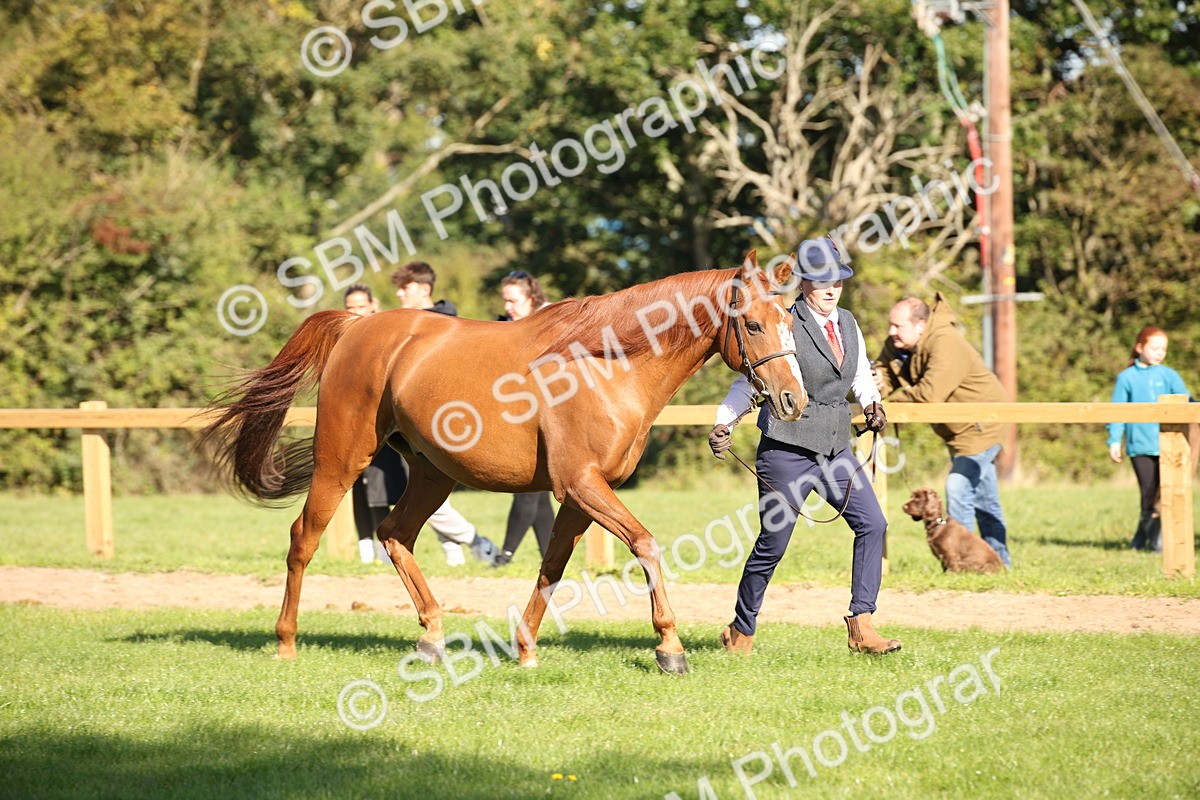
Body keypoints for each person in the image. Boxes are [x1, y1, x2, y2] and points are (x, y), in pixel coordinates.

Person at [708, 238, 897, 656]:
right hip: (786, 451)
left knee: (874, 524)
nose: (831, 289)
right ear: (805, 284)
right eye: (821, 282)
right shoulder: (785, 321)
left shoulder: (848, 322)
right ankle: (741, 630)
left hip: (834, 447)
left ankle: (862, 624)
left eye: (838, 282)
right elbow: (748, 381)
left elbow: (860, 371)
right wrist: (724, 421)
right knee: (774, 543)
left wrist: (872, 402)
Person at [873, 294, 1012, 568]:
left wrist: (889, 406)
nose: (891, 332)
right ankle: (1000, 565)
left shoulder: (946, 342)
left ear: (920, 325)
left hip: (983, 423)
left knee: (958, 486)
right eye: (891, 325)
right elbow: (886, 371)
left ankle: (963, 565)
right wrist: (877, 381)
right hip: (955, 429)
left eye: (897, 326)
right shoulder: (900, 343)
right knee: (985, 500)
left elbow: (929, 394)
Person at [372, 263, 497, 566]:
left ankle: (477, 542)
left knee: (427, 492)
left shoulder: (447, 323)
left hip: (449, 416)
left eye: (406, 288)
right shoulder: (407, 326)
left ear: (424, 289)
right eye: (399, 288)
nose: (400, 293)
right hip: (413, 418)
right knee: (427, 488)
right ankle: (456, 551)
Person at [1107, 325, 1193, 552]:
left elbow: (1186, 399)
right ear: (1139, 347)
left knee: (1163, 491)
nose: (1159, 353)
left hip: (1167, 445)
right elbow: (1117, 411)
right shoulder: (1126, 378)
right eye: (1154, 348)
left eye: (1163, 349)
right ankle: (1154, 543)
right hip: (1140, 447)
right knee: (1149, 490)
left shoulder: (1168, 375)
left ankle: (1141, 540)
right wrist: (1114, 440)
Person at [492, 271, 556, 568]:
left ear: (532, 299)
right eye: (505, 300)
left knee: (530, 487)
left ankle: (504, 557)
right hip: (513, 414)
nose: (508, 307)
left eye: (513, 300)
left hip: (546, 415)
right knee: (538, 494)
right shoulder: (503, 326)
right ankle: (550, 558)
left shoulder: (552, 324)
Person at [343, 284, 406, 564]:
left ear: (373, 304)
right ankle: (365, 548)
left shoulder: (385, 335)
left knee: (380, 485)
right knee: (356, 484)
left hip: (382, 423)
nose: (355, 311)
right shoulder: (342, 341)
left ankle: (384, 550)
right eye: (350, 306)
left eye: (360, 305)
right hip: (351, 422)